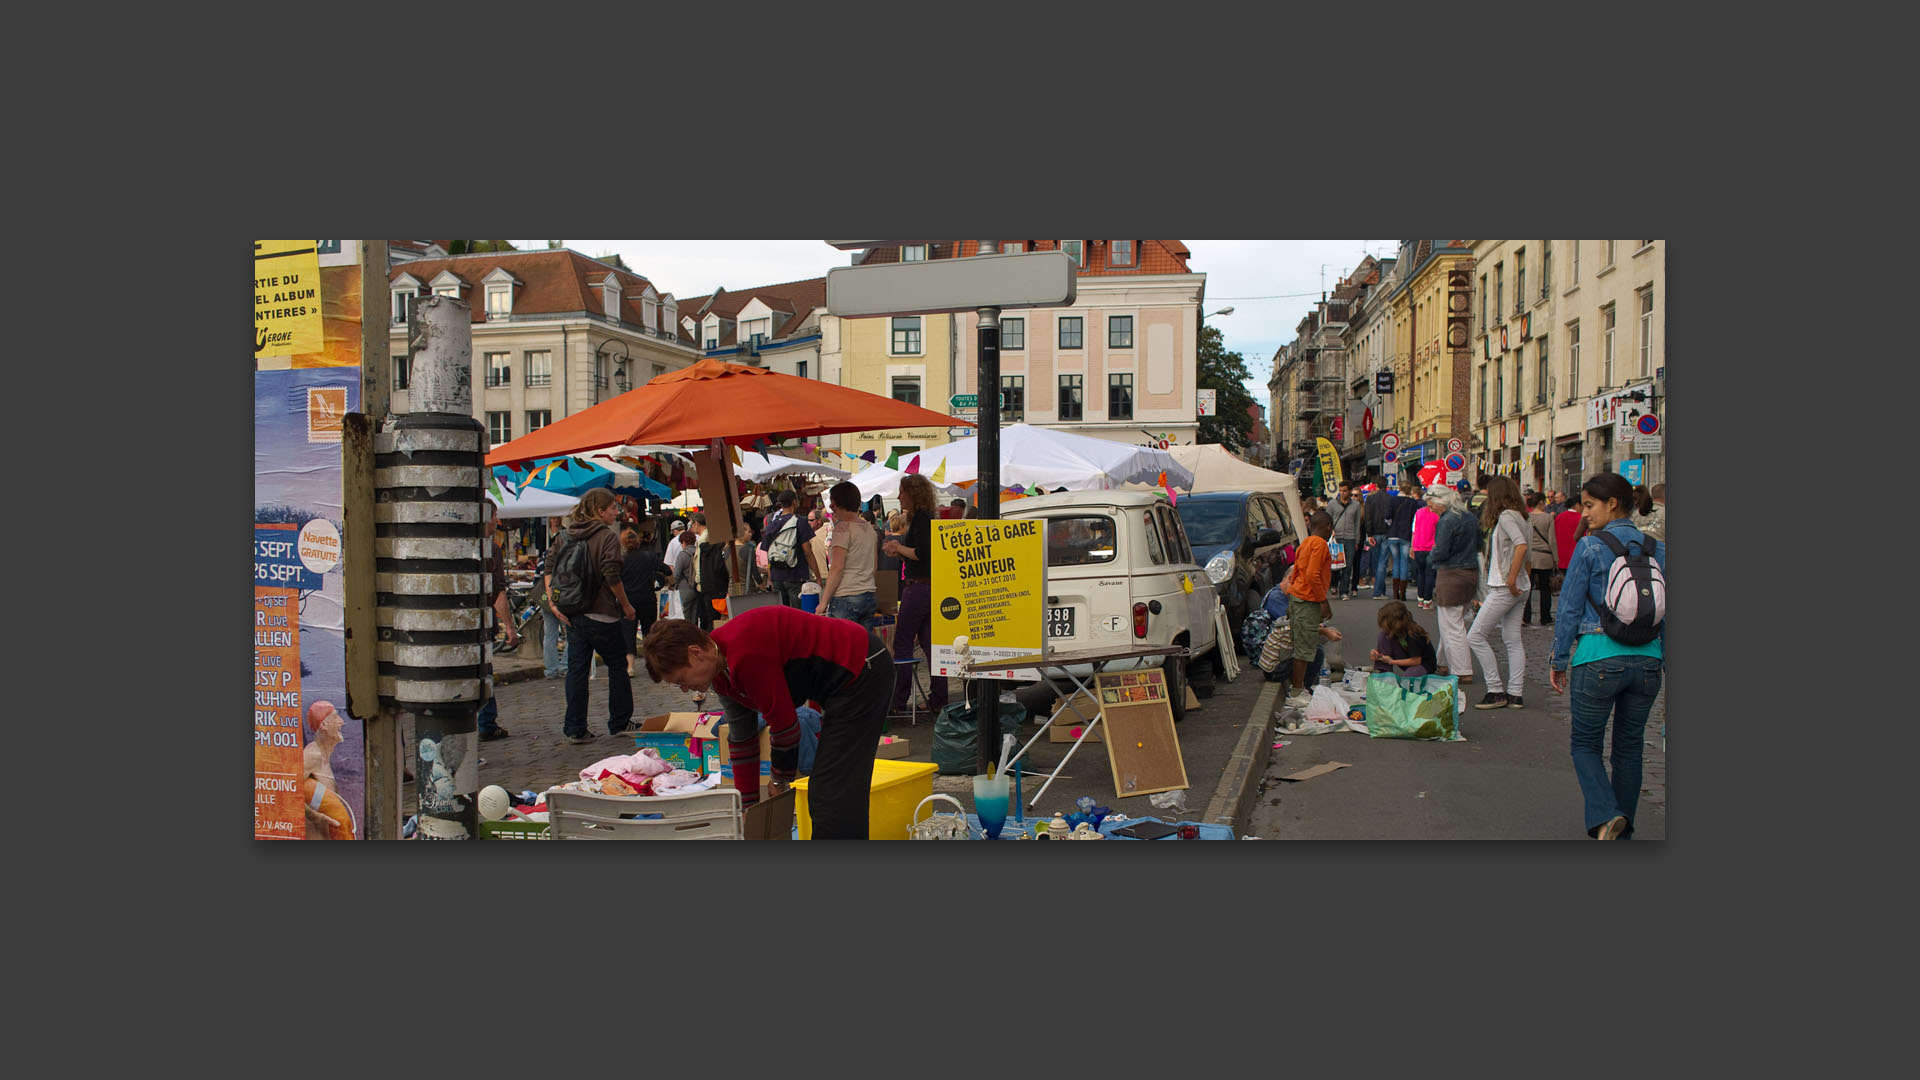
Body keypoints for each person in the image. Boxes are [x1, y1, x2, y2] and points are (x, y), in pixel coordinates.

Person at [644, 609, 892, 838]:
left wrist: (780, 779)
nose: (686, 689)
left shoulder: (745, 656)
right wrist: (748, 808)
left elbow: (785, 727)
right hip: (837, 683)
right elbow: (742, 740)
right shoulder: (719, 671)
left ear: (695, 653)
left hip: (862, 668)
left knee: (831, 792)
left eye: (680, 680)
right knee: (835, 789)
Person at [1549, 472, 1667, 840]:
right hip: (1648, 662)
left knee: (1585, 744)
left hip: (1598, 656)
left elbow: (1568, 609)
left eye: (1588, 505)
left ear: (1611, 504)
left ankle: (1605, 815)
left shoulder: (1590, 547)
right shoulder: (1656, 547)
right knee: (1629, 749)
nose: (1584, 514)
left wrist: (1558, 659)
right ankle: (1622, 832)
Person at [554, 489, 639, 744]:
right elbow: (611, 575)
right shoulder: (606, 536)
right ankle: (620, 721)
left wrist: (554, 602)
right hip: (602, 613)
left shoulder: (565, 535)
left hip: (572, 612)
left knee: (577, 670)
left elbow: (550, 568)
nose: (617, 512)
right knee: (616, 664)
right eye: (613, 508)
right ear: (600, 511)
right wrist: (625, 605)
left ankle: (575, 728)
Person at [883, 473, 947, 719]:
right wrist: (899, 551)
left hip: (918, 587)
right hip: (929, 586)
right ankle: (938, 699)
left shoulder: (921, 518)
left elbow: (922, 553)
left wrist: (897, 547)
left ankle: (899, 699)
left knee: (903, 642)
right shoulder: (925, 518)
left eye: (902, 492)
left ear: (913, 493)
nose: (899, 496)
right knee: (931, 645)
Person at [1466, 475, 1531, 710]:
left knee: (1475, 636)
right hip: (1518, 584)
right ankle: (1515, 693)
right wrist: (1523, 579)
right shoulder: (1522, 516)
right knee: (1513, 640)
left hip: (1505, 585)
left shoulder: (1505, 517)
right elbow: (1526, 551)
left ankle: (1495, 690)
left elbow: (1521, 546)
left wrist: (1512, 580)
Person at [1424, 485, 1480, 685]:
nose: (1431, 509)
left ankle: (1462, 669)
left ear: (1441, 501)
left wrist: (1430, 557)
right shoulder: (1469, 516)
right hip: (1470, 572)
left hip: (1451, 574)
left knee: (1452, 625)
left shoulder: (1447, 520)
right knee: (1450, 621)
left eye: (1432, 505)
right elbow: (1479, 545)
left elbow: (1441, 551)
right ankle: (1443, 662)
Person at [1281, 510, 1335, 710]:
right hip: (1308, 599)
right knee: (1304, 648)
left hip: (1299, 597)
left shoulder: (1305, 542)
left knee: (1302, 645)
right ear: (1328, 527)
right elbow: (1313, 574)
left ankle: (1299, 687)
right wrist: (1323, 600)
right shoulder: (1320, 544)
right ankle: (1296, 691)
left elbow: (1297, 570)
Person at [478, 499, 518, 740]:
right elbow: (498, 593)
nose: (497, 521)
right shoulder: (490, 549)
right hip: (481, 625)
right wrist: (510, 629)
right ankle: (486, 723)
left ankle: (484, 722)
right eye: (494, 516)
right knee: (484, 673)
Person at [816, 480, 879, 625]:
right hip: (868, 594)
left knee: (841, 646)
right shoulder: (869, 529)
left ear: (840, 502)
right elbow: (874, 566)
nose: (831, 506)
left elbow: (837, 568)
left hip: (846, 596)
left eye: (832, 502)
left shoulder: (842, 529)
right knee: (863, 645)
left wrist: (824, 601)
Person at [300, 701, 357, 840]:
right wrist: (315, 816)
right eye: (336, 717)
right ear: (324, 725)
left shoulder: (324, 755)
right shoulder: (311, 756)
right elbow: (288, 791)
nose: (342, 722)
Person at [619, 528, 671, 676]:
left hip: (627, 600)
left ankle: (630, 666)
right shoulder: (648, 556)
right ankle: (651, 664)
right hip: (647, 598)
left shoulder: (621, 560)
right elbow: (666, 570)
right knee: (649, 631)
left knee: (628, 632)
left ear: (623, 543)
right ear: (638, 541)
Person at [758, 491, 821, 609]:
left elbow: (768, 554)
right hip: (796, 576)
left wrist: (771, 578)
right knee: (798, 614)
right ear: (794, 502)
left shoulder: (771, 524)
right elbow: (807, 551)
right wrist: (817, 576)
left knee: (783, 615)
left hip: (777, 577)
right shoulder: (800, 522)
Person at [1370, 600, 1437, 678]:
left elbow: (1416, 661)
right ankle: (1382, 671)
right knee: (1384, 635)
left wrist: (1391, 661)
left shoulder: (1413, 634)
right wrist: (1378, 655)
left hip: (1423, 664)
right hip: (1407, 657)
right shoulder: (1395, 631)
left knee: (1408, 678)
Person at [690, 513, 731, 632]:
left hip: (705, 584)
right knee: (713, 618)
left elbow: (700, 564)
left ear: (696, 524)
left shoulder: (704, 541)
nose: (691, 527)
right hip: (714, 585)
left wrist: (698, 579)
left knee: (708, 618)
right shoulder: (710, 542)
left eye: (691, 524)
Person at [1524, 491, 1559, 625]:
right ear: (1541, 502)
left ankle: (1526, 616)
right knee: (1545, 588)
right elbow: (1552, 540)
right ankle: (1545, 617)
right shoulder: (1548, 518)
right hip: (1545, 557)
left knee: (1528, 588)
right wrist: (1556, 558)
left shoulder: (1527, 517)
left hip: (1530, 556)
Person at [538, 515, 567, 679]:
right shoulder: (566, 557)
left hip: (546, 599)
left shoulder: (544, 556)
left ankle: (550, 669)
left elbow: (538, 577)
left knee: (550, 635)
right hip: (562, 598)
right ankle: (564, 666)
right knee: (570, 633)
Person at [1327, 480, 1363, 600]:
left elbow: (1357, 523)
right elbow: (1327, 520)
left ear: (1349, 491)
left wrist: (1357, 540)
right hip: (1336, 538)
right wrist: (1330, 531)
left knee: (1347, 566)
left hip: (1350, 538)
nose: (1342, 493)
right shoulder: (1332, 504)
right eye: (1340, 491)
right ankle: (1333, 584)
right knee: (1335, 566)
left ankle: (1344, 591)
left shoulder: (1356, 505)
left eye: (1344, 491)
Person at [1385, 480, 1418, 601]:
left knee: (1396, 561)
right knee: (1404, 561)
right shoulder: (1412, 502)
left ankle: (1395, 592)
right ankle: (1402, 592)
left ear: (1399, 488)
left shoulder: (1393, 500)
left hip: (1393, 533)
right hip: (1406, 534)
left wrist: (1390, 524)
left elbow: (1387, 516)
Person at [1363, 477, 1396, 597]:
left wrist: (1369, 534)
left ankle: (1378, 591)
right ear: (1386, 485)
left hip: (1375, 533)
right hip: (1387, 533)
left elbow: (1368, 517)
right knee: (1383, 562)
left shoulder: (1371, 499)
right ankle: (1380, 591)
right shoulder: (1391, 499)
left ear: (1376, 485)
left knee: (1377, 562)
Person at [1411, 488, 1439, 610]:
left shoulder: (1418, 512)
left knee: (1420, 573)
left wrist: (1412, 546)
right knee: (1430, 574)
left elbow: (1414, 530)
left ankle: (1420, 598)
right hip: (1431, 546)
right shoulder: (1437, 515)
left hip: (1418, 545)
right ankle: (1428, 600)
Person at [668, 526, 696, 622]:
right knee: (695, 614)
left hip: (685, 588)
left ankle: (689, 634)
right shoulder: (698, 552)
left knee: (687, 615)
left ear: (683, 542)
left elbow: (676, 574)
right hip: (697, 587)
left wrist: (672, 585)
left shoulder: (683, 555)